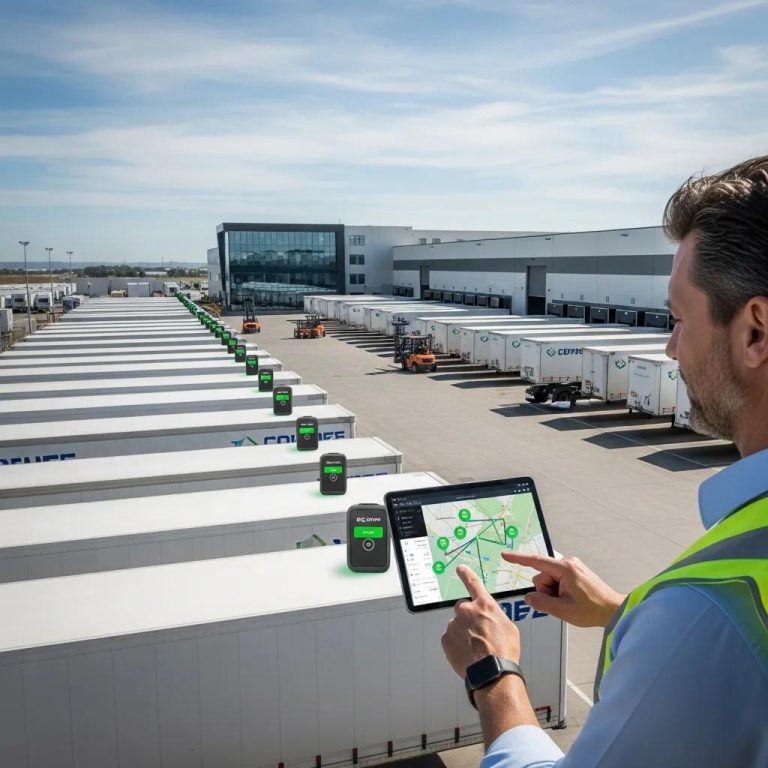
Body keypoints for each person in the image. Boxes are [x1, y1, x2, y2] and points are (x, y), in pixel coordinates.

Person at [441, 156, 768, 767]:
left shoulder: (707, 609)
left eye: (677, 320)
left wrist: (494, 674)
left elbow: (719, 641)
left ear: (756, 332)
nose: (670, 348)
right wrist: (625, 613)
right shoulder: (706, 620)